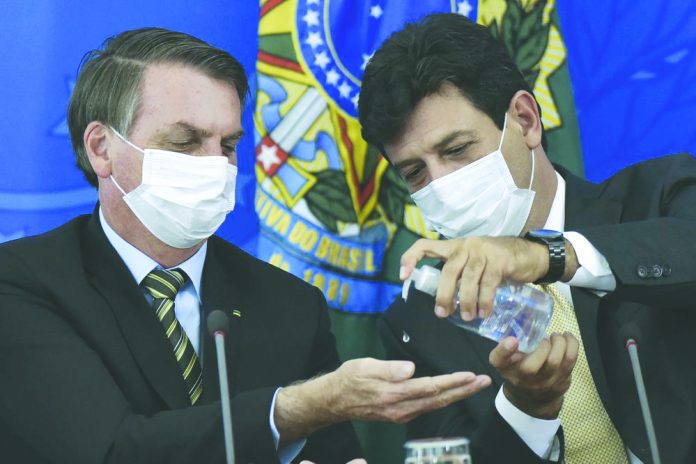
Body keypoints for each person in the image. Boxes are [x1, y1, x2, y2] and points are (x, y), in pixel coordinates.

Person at [0, 27, 493, 464]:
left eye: (229, 145)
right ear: (102, 148)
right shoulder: (24, 282)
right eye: (185, 141)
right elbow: (110, 450)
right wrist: (294, 408)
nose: (217, 166)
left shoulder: (291, 305)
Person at [358, 13, 696, 464]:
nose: (441, 184)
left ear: (525, 119)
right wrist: (527, 409)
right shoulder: (425, 316)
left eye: (457, 150)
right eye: (416, 172)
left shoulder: (657, 196)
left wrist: (548, 256)